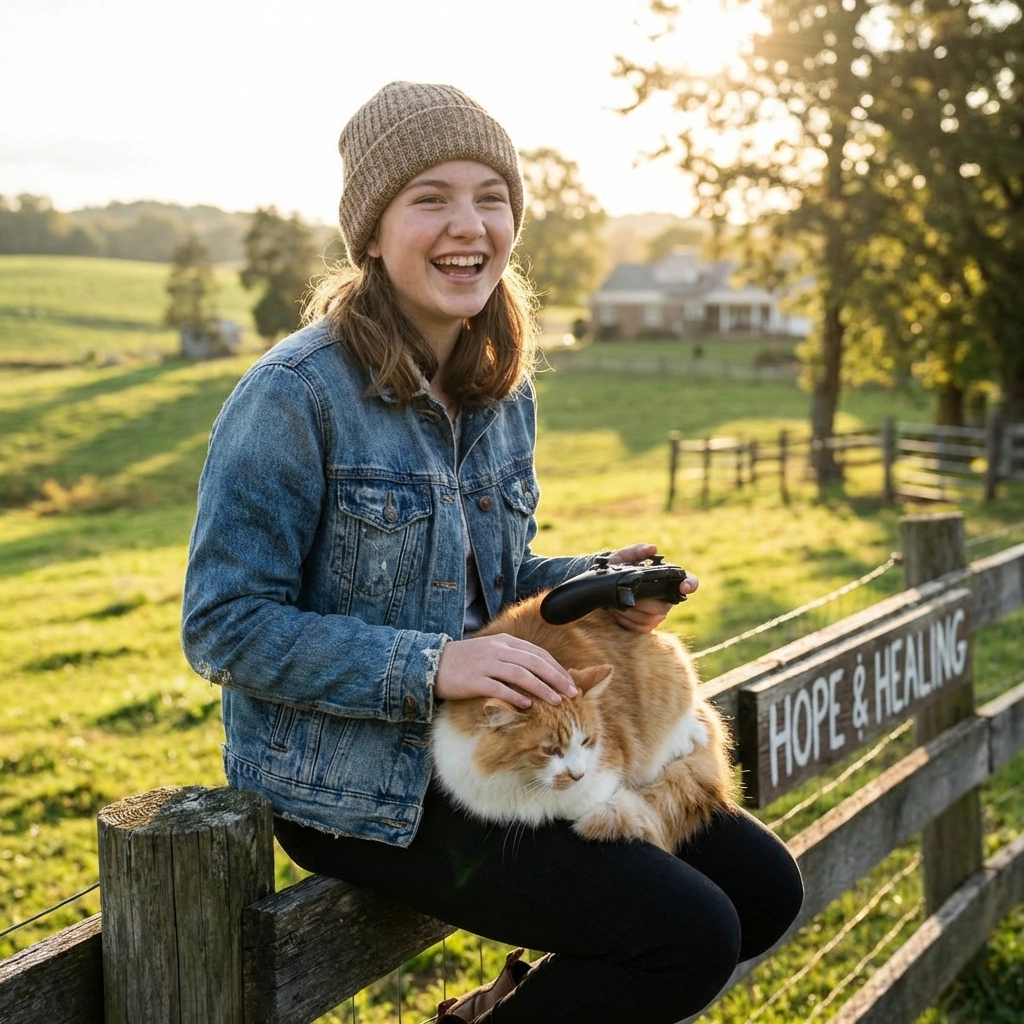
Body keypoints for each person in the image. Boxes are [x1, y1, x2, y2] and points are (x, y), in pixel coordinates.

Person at [181, 81, 802, 1024]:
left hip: (493, 738)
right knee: (687, 934)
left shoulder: (498, 385)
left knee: (762, 891)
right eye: (430, 197)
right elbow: (223, 626)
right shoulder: (291, 396)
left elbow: (486, 579)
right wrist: (433, 667)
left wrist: (593, 587)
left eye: (491, 196)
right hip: (357, 781)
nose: (467, 223)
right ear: (374, 231)